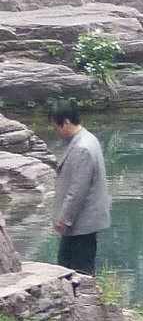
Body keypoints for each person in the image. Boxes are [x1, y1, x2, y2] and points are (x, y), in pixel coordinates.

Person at [49, 99, 110, 275]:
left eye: (56, 127)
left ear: (66, 122)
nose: (56, 132)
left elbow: (77, 190)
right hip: (83, 223)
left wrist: (63, 219)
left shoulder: (82, 148)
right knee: (67, 266)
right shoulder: (88, 139)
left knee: (77, 270)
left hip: (81, 224)